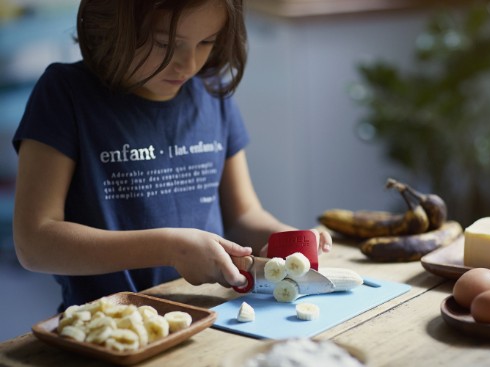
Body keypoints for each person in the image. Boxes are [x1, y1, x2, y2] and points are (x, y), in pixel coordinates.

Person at [11, 0, 332, 312]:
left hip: (213, 318)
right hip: (106, 327)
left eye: (207, 41)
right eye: (165, 44)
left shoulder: (211, 93)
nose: (189, 64)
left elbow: (242, 217)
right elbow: (35, 242)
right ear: (112, 25)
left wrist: (285, 238)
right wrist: (169, 248)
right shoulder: (64, 93)